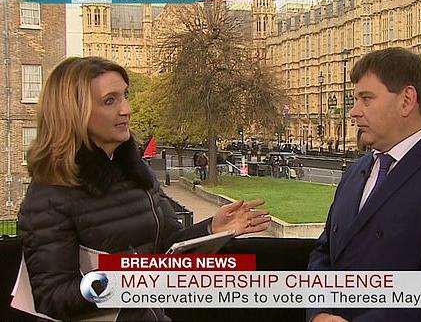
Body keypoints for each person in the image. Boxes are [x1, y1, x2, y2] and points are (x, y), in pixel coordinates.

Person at [18, 56, 271, 321]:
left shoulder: (137, 173)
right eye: (110, 100)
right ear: (74, 112)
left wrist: (211, 230)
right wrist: (125, 279)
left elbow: (166, 248)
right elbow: (52, 299)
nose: (126, 109)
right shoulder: (50, 193)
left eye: (124, 96)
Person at [307, 47, 421, 322]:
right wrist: (318, 312)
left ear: (407, 100)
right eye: (354, 100)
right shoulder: (356, 171)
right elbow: (324, 252)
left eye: (366, 99)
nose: (354, 112)